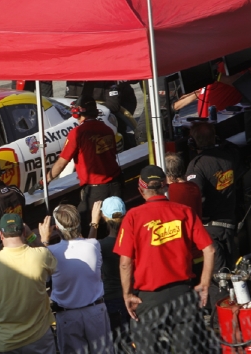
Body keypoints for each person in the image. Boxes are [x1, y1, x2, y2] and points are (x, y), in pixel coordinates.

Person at [113, 165, 216, 354]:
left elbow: (125, 263)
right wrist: (204, 283)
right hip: (182, 294)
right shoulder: (184, 211)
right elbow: (209, 250)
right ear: (165, 186)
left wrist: (127, 294)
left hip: (149, 298)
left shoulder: (133, 217)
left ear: (141, 190)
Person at [31, 95, 123, 236]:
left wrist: (45, 181)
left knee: (86, 227)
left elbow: (62, 162)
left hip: (96, 191)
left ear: (77, 113)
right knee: (115, 229)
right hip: (116, 185)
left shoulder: (77, 133)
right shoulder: (107, 129)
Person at [0, 214, 57, 354]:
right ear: (24, 232)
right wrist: (32, 236)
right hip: (39, 338)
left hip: (6, 342)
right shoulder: (40, 255)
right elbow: (51, 261)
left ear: (1, 235)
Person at [186, 121, 243, 316]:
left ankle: (221, 323)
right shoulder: (229, 157)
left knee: (217, 279)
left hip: (211, 230)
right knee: (230, 275)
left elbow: (195, 198)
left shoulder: (197, 165)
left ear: (193, 142)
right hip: (230, 226)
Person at [39, 205, 114, 354]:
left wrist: (44, 241)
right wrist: (94, 223)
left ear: (57, 228)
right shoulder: (94, 245)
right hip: (95, 312)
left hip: (68, 316)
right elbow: (87, 244)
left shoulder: (50, 252)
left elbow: (41, 269)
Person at [87, 197, 130, 341]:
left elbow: (88, 248)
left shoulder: (101, 245)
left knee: (116, 342)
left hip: (110, 298)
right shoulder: (131, 240)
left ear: (104, 217)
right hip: (133, 293)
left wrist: (94, 222)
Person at [165, 152, 204, 284]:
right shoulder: (194, 187)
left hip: (182, 256)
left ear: (169, 175)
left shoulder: (170, 192)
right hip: (198, 250)